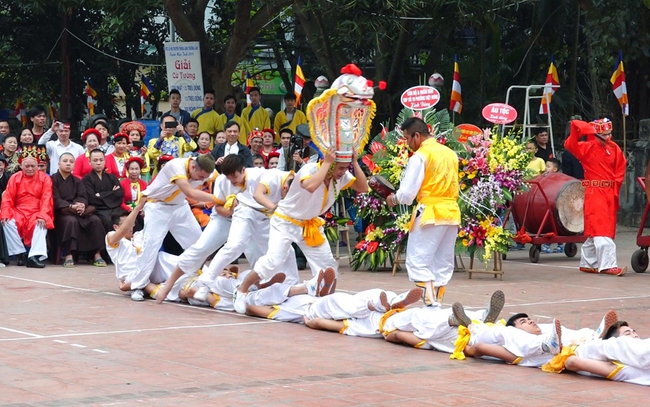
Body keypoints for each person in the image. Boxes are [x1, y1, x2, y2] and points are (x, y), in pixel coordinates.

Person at [231, 146, 368, 313]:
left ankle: (324, 302)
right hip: (285, 221)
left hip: (309, 224)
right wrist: (327, 163)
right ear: (330, 164)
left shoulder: (341, 176)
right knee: (272, 261)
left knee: (328, 267)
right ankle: (241, 290)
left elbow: (363, 187)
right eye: (340, 168)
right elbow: (310, 186)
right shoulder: (308, 169)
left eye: (345, 168)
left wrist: (353, 162)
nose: (343, 172)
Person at [386, 117, 460, 307]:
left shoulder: (421, 155)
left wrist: (393, 199)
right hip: (451, 213)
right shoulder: (450, 153)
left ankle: (430, 305)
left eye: (407, 138)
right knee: (442, 261)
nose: (407, 143)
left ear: (416, 135)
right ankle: (437, 302)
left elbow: (407, 194)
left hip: (429, 212)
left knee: (418, 260)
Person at [128, 155, 218, 296]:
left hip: (180, 207)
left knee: (200, 243)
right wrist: (219, 199)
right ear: (193, 166)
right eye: (200, 176)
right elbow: (190, 192)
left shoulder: (207, 171)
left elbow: (224, 179)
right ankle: (138, 286)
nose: (202, 180)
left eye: (204, 177)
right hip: (158, 207)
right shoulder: (176, 166)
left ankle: (198, 278)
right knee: (150, 247)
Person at [564, 118, 626, 276]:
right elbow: (569, 145)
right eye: (604, 135)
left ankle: (588, 262)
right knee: (601, 228)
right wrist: (577, 128)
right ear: (595, 135)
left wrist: (614, 188)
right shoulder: (587, 147)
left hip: (608, 192)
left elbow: (620, 169)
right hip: (594, 191)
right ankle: (608, 265)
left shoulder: (614, 148)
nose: (608, 138)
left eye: (609, 134)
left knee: (599, 229)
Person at [51, 153, 106, 267]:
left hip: (77, 211)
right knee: (71, 221)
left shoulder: (77, 181)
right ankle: (68, 254)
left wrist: (80, 205)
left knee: (95, 220)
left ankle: (97, 254)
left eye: (71, 162)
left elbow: (82, 196)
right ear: (58, 163)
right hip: (61, 213)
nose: (68, 164)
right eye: (65, 161)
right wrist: (70, 206)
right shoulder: (53, 180)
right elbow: (54, 198)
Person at [1, 148, 54, 268]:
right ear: (21, 166)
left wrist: (43, 215)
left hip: (37, 210)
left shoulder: (45, 178)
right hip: (19, 210)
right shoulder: (15, 177)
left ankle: (33, 256)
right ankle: (20, 253)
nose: (30, 169)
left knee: (41, 223)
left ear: (37, 166)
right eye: (27, 166)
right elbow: (8, 198)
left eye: (33, 166)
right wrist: (5, 213)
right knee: (6, 222)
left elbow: (47, 198)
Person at [83, 149, 124, 233]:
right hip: (99, 210)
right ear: (89, 161)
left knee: (132, 218)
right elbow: (92, 198)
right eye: (95, 160)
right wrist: (112, 193)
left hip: (116, 208)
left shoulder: (111, 177)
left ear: (105, 160)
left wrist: (100, 195)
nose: (98, 163)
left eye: (101, 160)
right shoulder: (86, 179)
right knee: (108, 221)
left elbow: (120, 193)